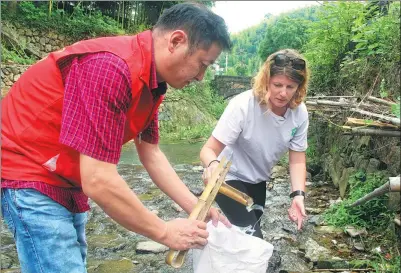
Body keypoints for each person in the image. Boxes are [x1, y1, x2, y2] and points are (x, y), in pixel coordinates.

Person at [1, 3, 232, 273]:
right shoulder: (110, 67)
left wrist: (197, 206)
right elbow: (98, 179)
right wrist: (165, 232)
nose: (202, 77)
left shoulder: (153, 82)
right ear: (176, 41)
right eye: (202, 64)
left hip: (66, 177)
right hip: (29, 171)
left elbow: (151, 153)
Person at [200, 49, 310, 239]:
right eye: (277, 85)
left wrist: (298, 195)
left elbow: (297, 159)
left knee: (246, 234)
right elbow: (208, 150)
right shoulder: (243, 105)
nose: (283, 93)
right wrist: (212, 166)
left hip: (258, 180)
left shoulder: (299, 113)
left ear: (299, 87)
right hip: (228, 177)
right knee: (252, 237)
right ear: (266, 80)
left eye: (290, 87)